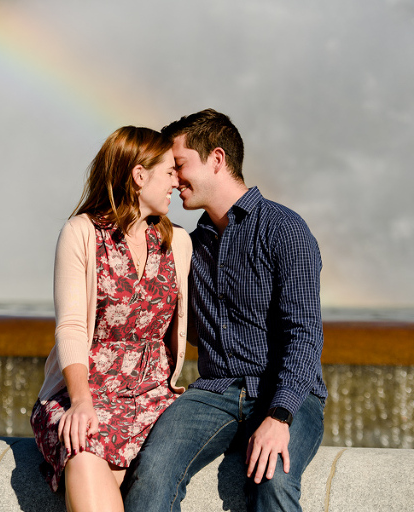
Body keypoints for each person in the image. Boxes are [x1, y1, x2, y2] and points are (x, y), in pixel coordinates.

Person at [123, 109, 327, 512]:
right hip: (213, 392)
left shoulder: (284, 230)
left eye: (179, 165)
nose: (173, 178)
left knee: (275, 481)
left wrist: (279, 416)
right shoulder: (186, 243)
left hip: (283, 392)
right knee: (151, 472)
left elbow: (304, 334)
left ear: (216, 159)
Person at [30, 126, 193, 512]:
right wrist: (81, 402)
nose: (177, 180)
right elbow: (71, 326)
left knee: (100, 467)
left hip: (154, 396)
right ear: (139, 176)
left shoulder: (178, 242)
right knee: (83, 449)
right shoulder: (81, 233)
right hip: (86, 391)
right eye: (169, 172)